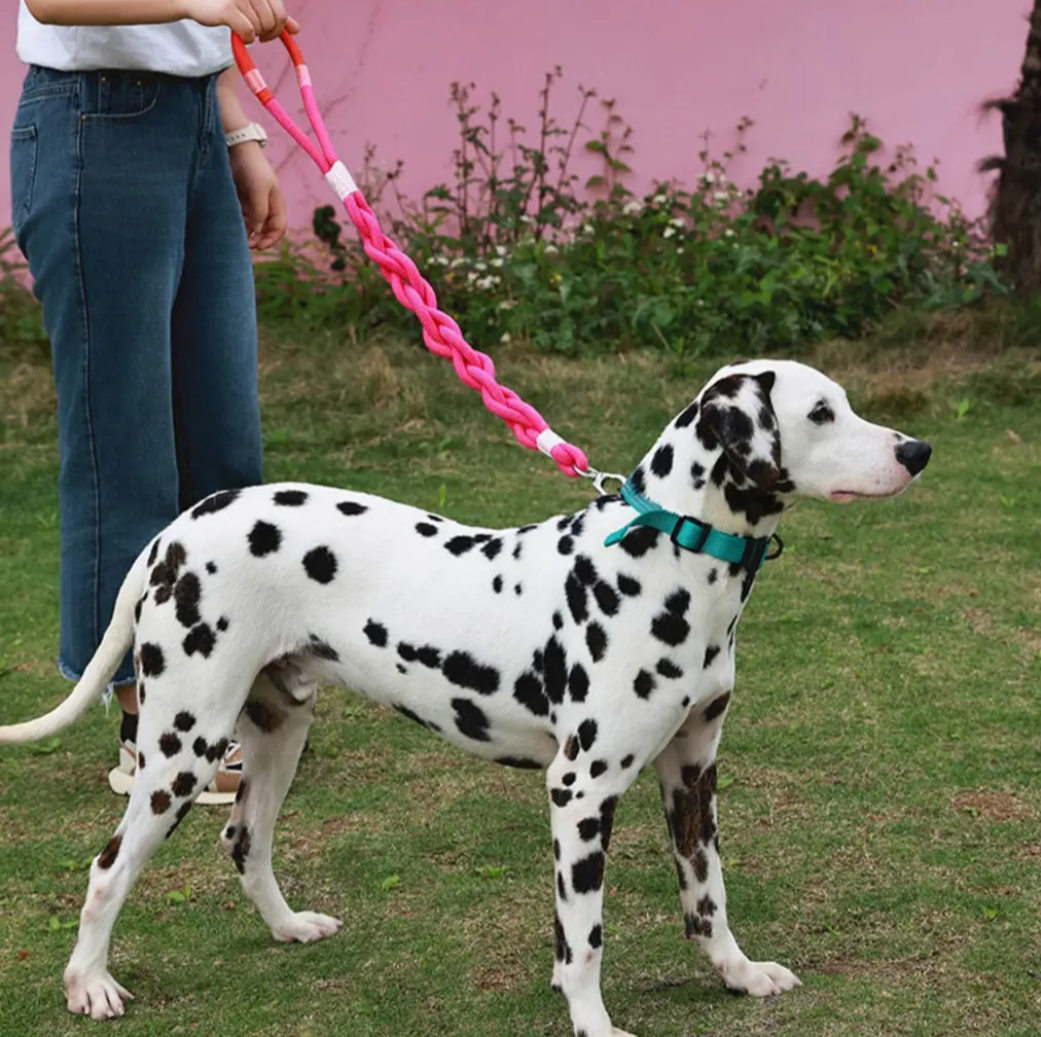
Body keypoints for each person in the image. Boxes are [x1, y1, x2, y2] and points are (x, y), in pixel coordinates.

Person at [10, 0, 297, 803]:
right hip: (94, 123)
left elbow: (184, 36)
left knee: (225, 447)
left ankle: (218, 683)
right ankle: (152, 726)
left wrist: (235, 130)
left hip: (195, 120)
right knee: (123, 448)